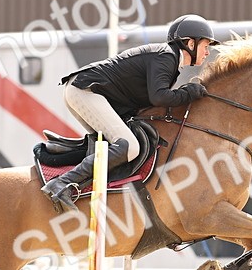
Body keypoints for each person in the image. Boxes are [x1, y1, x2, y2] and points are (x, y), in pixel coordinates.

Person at [40, 14, 220, 212]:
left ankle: (77, 184)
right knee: (129, 146)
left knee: (109, 146)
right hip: (86, 91)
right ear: (190, 43)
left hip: (82, 90)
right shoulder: (167, 56)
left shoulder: (168, 59)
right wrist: (189, 93)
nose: (207, 52)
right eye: (206, 45)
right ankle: (62, 183)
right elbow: (159, 97)